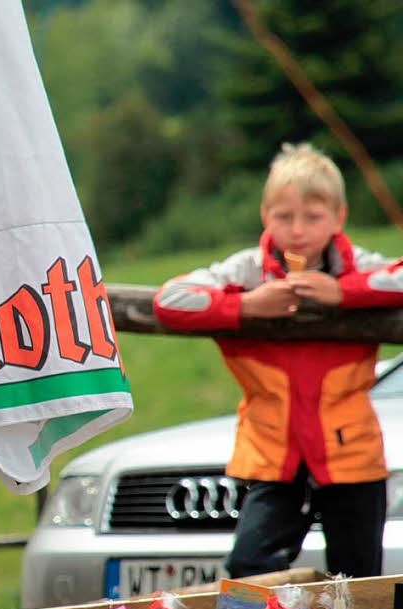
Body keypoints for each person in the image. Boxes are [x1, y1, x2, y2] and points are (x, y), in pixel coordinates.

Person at [153, 142, 403, 579]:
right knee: (248, 568)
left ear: (339, 217)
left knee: (361, 579)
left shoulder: (358, 266)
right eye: (284, 217)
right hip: (273, 453)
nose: (298, 230)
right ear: (265, 216)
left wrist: (344, 293)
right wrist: (247, 306)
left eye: (313, 217)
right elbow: (170, 299)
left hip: (351, 451)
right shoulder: (247, 270)